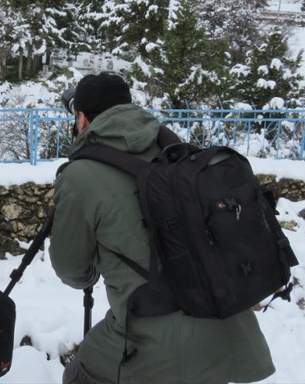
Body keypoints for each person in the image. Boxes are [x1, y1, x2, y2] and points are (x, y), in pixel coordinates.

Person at [49, 73, 275, 384]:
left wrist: (96, 271)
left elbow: (72, 270)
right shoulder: (176, 150)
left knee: (76, 376)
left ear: (82, 119)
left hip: (157, 343)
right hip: (231, 326)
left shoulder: (79, 176)